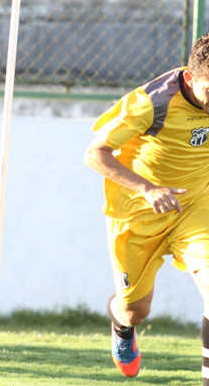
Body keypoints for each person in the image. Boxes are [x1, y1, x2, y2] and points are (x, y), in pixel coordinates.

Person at [85, 34, 209, 380]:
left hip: (197, 208)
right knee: (136, 310)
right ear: (190, 78)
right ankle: (122, 327)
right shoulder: (150, 103)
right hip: (140, 212)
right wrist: (148, 189)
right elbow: (94, 154)